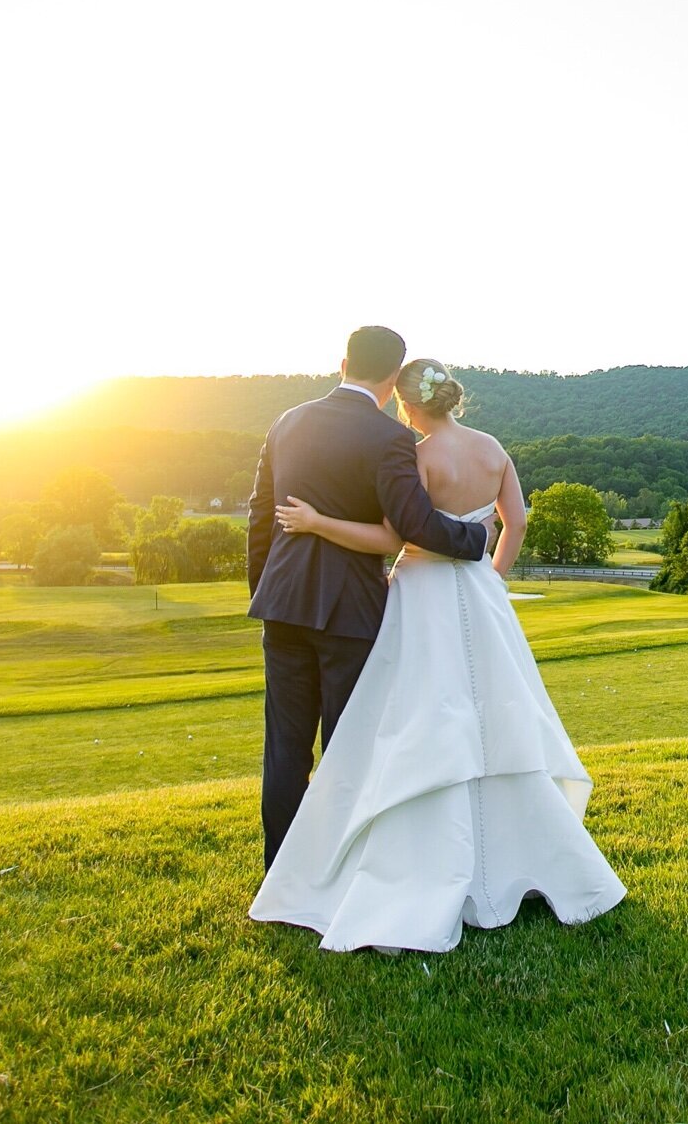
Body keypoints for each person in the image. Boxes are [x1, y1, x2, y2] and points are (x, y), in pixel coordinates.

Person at [248, 355, 626, 952]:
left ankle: (339, 861)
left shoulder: (411, 453)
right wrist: (493, 576)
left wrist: (318, 524)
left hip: (419, 594)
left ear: (408, 402)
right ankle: (522, 853)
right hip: (482, 598)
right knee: (495, 720)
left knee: (414, 720)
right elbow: (517, 522)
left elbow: (401, 534)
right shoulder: (493, 448)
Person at [246, 325, 489, 866]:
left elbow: (260, 518)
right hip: (349, 612)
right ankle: (339, 869)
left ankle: (280, 871)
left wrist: (266, 591)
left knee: (284, 749)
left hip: (282, 608)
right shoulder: (390, 439)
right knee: (348, 746)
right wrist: (475, 537)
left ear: (342, 363)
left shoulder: (286, 423)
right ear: (390, 379)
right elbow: (413, 522)